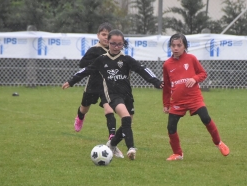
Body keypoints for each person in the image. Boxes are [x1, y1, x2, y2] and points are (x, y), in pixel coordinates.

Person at [62, 29, 163, 160]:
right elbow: (86, 70)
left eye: (119, 44)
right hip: (113, 95)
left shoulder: (126, 60)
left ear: (123, 44)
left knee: (127, 123)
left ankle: (112, 144)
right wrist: (71, 81)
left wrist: (157, 82)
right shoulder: (102, 60)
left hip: (127, 95)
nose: (116, 47)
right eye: (113, 43)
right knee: (125, 117)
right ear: (108, 43)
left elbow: (142, 69)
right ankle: (131, 148)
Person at [162, 33, 230, 161]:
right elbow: (166, 87)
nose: (176, 48)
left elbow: (203, 74)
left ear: (185, 46)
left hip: (194, 98)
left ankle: (218, 143)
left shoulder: (191, 59)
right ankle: (178, 153)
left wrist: (194, 78)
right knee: (171, 127)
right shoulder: (167, 64)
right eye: (173, 45)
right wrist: (166, 104)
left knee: (205, 118)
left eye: (179, 45)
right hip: (177, 101)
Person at [73, 23, 124, 158]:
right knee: (84, 107)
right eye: (103, 34)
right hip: (93, 84)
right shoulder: (94, 50)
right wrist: (97, 64)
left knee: (109, 109)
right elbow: (82, 64)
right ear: (98, 35)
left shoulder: (115, 51)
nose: (106, 38)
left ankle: (112, 138)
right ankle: (80, 117)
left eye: (108, 35)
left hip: (107, 86)